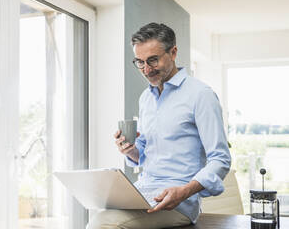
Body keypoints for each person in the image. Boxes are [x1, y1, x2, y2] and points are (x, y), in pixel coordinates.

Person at [86, 22, 231, 229]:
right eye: (140, 62)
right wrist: (131, 150)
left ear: (173, 52)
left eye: (153, 60)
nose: (146, 69)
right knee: (101, 213)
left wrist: (185, 191)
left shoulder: (201, 95)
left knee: (103, 223)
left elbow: (221, 159)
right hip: (143, 192)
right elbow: (145, 154)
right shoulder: (146, 97)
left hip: (178, 203)